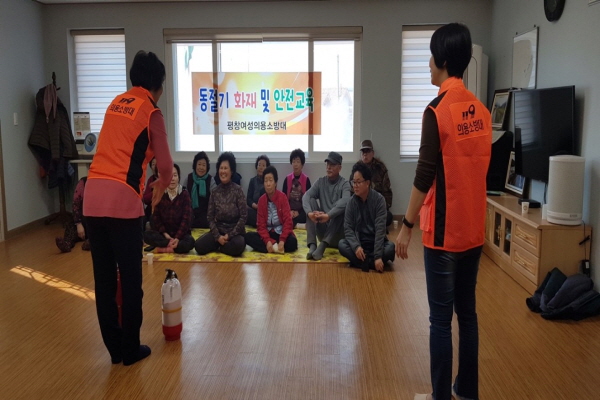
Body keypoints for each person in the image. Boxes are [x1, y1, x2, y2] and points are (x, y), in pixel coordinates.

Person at [394, 24, 491, 400]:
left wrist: (406, 225)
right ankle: (466, 391)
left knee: (439, 321)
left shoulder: (437, 111)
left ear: (444, 60)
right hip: (474, 232)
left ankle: (440, 397)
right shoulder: (482, 112)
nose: (428, 64)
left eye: (431, 57)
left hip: (443, 234)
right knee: (467, 314)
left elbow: (424, 174)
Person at [84, 50, 173, 366]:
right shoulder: (151, 111)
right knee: (132, 280)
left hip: (92, 198)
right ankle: (130, 350)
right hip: (122, 201)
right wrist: (161, 185)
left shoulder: (115, 103)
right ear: (156, 85)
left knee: (105, 280)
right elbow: (166, 166)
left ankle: (115, 350)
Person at [339, 162, 395, 272]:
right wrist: (356, 247)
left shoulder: (379, 200)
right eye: (353, 182)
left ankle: (363, 263)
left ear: (367, 183)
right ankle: (372, 263)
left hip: (375, 243)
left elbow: (380, 230)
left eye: (358, 182)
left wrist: (378, 255)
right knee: (342, 245)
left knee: (390, 247)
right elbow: (348, 229)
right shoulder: (351, 202)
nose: (355, 185)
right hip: (360, 242)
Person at [194, 152, 247, 257]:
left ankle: (219, 247)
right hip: (218, 231)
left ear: (231, 171)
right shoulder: (215, 192)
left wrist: (229, 235)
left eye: (225, 168)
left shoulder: (238, 190)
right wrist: (217, 236)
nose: (223, 171)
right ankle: (221, 245)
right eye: (221, 168)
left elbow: (244, 217)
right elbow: (210, 217)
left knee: (239, 245)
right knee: (198, 246)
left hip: (235, 233)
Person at [302, 151, 351, 261]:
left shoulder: (344, 184)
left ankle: (323, 246)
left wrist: (328, 215)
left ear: (340, 168)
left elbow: (346, 200)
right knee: (310, 201)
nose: (329, 167)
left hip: (338, 235)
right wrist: (310, 213)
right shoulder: (320, 182)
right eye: (327, 164)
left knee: (342, 207)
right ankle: (312, 245)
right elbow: (306, 196)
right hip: (322, 230)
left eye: (332, 165)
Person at [246, 166, 298, 253]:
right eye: (266, 181)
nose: (268, 184)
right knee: (248, 237)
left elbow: (288, 222)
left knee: (292, 242)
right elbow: (261, 226)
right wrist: (268, 241)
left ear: (275, 183)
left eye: (270, 180)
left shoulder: (282, 197)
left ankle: (272, 248)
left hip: (280, 232)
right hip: (267, 233)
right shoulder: (261, 200)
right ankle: (275, 247)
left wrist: (282, 240)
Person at [144, 164, 195, 254]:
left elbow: (186, 219)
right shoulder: (160, 193)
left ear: (178, 177)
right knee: (146, 235)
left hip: (180, 235)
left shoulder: (184, 194)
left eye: (175, 175)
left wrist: (177, 237)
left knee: (190, 242)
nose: (172, 179)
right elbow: (156, 217)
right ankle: (172, 246)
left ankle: (165, 247)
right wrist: (164, 233)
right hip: (165, 234)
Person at [355, 139, 394, 227]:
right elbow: (352, 190)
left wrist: (384, 207)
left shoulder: (380, 168)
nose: (365, 154)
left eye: (367, 151)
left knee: (388, 217)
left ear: (372, 153)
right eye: (363, 152)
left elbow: (387, 190)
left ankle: (369, 224)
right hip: (361, 206)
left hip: (377, 206)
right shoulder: (357, 168)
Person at [55, 177, 90, 252]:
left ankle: (90, 243)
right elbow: (75, 205)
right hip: (83, 219)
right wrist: (78, 224)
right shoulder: (83, 182)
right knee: (71, 226)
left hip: (95, 222)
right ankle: (67, 244)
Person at [282, 148, 312, 228]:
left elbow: (308, 200)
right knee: (281, 214)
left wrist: (298, 212)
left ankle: (293, 224)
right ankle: (298, 225)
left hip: (302, 211)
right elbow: (283, 199)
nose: (295, 164)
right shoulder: (287, 179)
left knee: (308, 214)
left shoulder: (306, 180)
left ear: (302, 164)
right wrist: (290, 211)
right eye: (293, 162)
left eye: (298, 162)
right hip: (289, 211)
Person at [186, 151, 216, 228]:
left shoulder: (210, 180)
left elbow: (216, 200)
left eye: (204, 165)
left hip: (206, 217)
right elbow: (183, 198)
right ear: (195, 165)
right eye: (199, 164)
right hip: (190, 216)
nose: (201, 168)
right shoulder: (189, 178)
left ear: (207, 167)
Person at [246, 154, 270, 227]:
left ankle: (261, 223)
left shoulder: (269, 182)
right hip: (254, 210)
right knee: (246, 211)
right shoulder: (252, 181)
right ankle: (260, 223)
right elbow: (248, 199)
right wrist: (254, 205)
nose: (261, 167)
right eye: (259, 165)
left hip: (266, 210)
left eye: (263, 165)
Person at [142, 157, 158, 229]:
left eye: (157, 164)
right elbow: (145, 199)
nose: (155, 166)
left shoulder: (167, 179)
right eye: (153, 164)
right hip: (151, 209)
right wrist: (155, 192)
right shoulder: (151, 179)